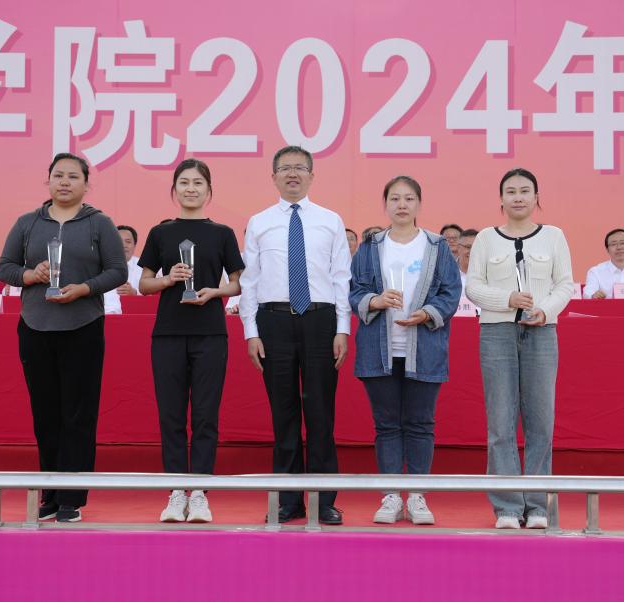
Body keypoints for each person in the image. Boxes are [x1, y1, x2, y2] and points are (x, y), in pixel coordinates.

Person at [0, 153, 127, 524]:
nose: (65, 182)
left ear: (86, 184)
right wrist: (30, 276)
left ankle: (72, 496)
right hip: (35, 326)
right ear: (49, 181)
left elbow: (117, 271)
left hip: (83, 326)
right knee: (46, 415)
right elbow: (5, 267)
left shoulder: (99, 223)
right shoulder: (27, 223)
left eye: (73, 176)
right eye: (58, 176)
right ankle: (49, 493)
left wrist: (85, 288)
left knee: (78, 414)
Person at [239, 146, 351, 525]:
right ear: (273, 177)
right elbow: (250, 281)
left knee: (321, 413)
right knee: (283, 414)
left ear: (311, 176)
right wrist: (251, 332)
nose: (292, 174)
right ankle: (287, 500)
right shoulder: (259, 222)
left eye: (300, 168)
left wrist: (342, 328)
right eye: (284, 168)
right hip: (273, 322)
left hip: (321, 321)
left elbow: (341, 277)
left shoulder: (330, 221)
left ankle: (323, 500)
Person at [465, 168, 573, 530]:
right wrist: (507, 299)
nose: (518, 197)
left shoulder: (554, 236)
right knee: (501, 422)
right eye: (510, 191)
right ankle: (508, 507)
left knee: (541, 421)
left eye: (525, 190)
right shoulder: (486, 238)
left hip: (541, 332)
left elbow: (565, 284)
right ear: (501, 199)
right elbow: (473, 287)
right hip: (496, 332)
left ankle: (537, 504)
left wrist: (546, 310)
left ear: (536, 197)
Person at [349, 176, 461, 525]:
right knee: (386, 425)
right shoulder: (371, 246)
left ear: (419, 204)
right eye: (395, 198)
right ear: (385, 204)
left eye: (409, 198)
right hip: (379, 349)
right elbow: (355, 290)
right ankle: (390, 496)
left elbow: (451, 291)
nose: (401, 204)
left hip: (423, 347)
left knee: (421, 424)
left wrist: (428, 313)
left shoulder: (436, 245)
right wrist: (375, 300)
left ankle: (417, 496)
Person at [137, 159, 244, 524]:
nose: (191, 188)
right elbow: (144, 284)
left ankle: (198, 491)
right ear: (174, 189)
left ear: (209, 190)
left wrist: (215, 292)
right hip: (168, 333)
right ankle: (175, 491)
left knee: (205, 415)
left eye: (198, 183)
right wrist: (169, 280)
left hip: (211, 333)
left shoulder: (222, 233)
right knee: (170, 415)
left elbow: (238, 283)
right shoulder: (160, 233)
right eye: (184, 182)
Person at [102, 225, 144, 315]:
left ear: (134, 245)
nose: (124, 245)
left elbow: (152, 294)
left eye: (128, 242)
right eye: (119, 241)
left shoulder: (143, 266)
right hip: (104, 316)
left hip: (135, 316)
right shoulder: (99, 266)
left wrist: (134, 293)